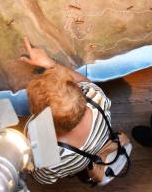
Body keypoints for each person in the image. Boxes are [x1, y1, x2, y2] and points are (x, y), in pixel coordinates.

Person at [20, 37, 131, 187]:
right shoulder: (96, 99)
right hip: (96, 144)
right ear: (80, 93)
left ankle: (82, 168)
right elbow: (85, 82)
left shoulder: (48, 156)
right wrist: (51, 64)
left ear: (41, 119)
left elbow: (42, 178)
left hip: (73, 162)